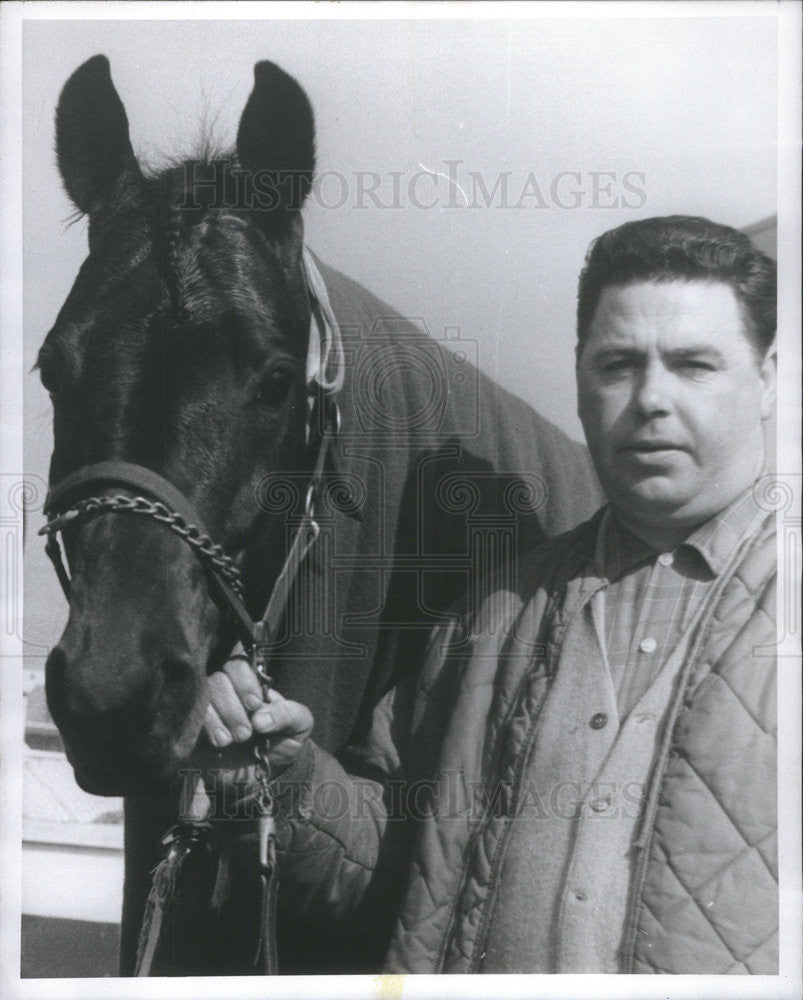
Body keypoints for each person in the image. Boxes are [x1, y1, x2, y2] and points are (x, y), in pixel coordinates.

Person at [203, 215, 778, 974]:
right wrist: (284, 778)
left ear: (767, 377)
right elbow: (394, 868)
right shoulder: (491, 614)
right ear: (578, 377)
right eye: (617, 364)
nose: (650, 399)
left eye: (693, 364)